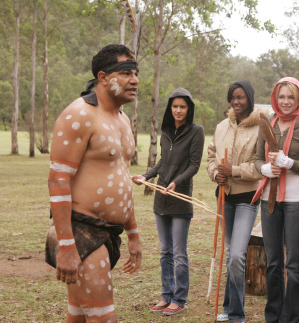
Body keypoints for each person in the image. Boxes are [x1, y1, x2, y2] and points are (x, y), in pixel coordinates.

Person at [45, 44, 142, 322]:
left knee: (79, 313)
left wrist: (133, 233)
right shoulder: (80, 115)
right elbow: (58, 180)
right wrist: (66, 246)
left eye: (135, 73)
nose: (134, 80)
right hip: (81, 231)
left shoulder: (122, 120)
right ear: (102, 77)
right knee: (102, 315)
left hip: (109, 231)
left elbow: (121, 179)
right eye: (125, 73)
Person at [253, 77, 299, 323]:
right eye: (281, 97)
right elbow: (256, 159)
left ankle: (291, 318)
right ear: (275, 98)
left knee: (293, 263)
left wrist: (289, 163)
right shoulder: (266, 123)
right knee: (273, 262)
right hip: (269, 201)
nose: (286, 102)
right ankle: (273, 316)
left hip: (296, 201)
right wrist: (264, 170)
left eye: (291, 97)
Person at [132, 88, 204, 316]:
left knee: (179, 253)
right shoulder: (165, 131)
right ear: (170, 108)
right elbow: (163, 162)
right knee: (165, 252)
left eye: (183, 107)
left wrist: (175, 182)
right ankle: (166, 296)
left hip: (180, 200)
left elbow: (194, 165)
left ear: (189, 109)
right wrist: (146, 176)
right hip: (160, 201)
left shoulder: (197, 131)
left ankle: (179, 299)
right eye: (175, 106)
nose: (179, 110)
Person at [206, 81, 264, 323]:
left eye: (240, 97)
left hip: (247, 199)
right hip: (224, 197)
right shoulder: (221, 127)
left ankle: (237, 315)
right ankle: (229, 307)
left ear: (249, 98)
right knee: (230, 255)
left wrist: (235, 170)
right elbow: (211, 157)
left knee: (238, 255)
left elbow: (261, 167)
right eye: (232, 97)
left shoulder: (261, 126)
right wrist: (215, 173)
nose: (236, 102)